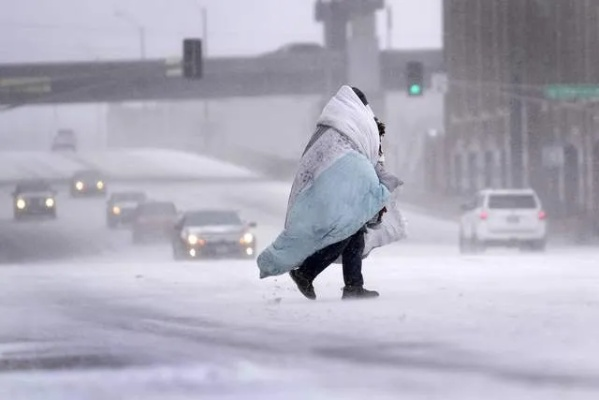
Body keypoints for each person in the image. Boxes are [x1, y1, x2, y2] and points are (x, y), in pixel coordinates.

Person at [257, 85, 403, 300]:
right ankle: (306, 272)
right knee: (345, 231)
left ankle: (353, 285)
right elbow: (365, 151)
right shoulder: (352, 123)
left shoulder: (331, 127)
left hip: (331, 187)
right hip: (339, 187)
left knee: (354, 232)